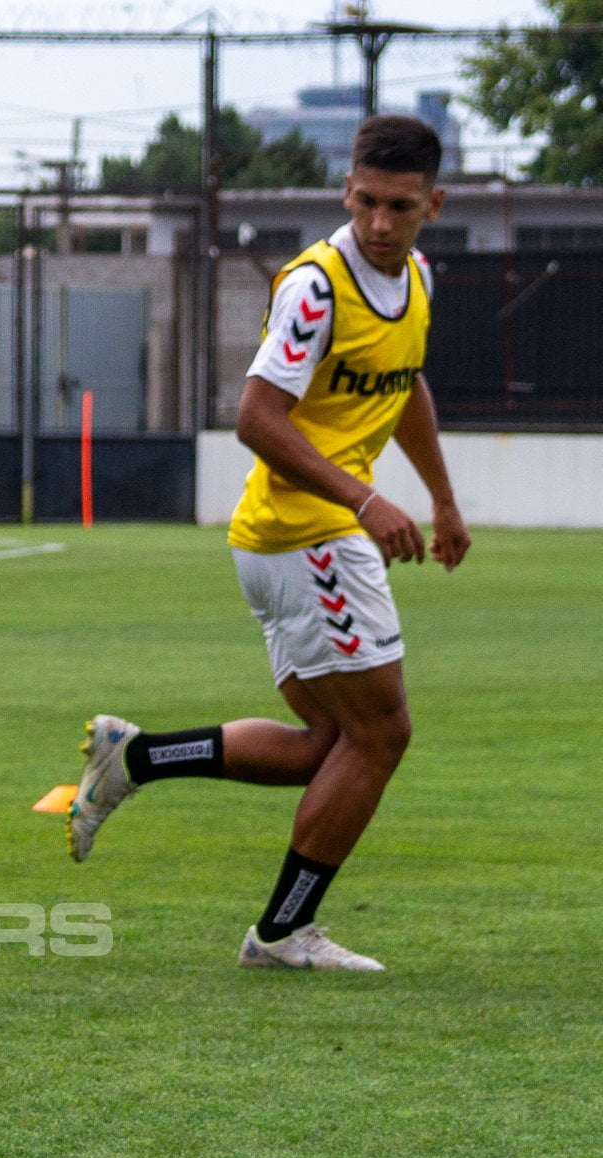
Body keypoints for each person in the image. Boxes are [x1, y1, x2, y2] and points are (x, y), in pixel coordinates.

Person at [67, 115, 470, 972]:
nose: (379, 224)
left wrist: (442, 499)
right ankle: (284, 932)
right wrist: (365, 499)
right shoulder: (318, 287)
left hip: (293, 538)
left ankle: (132, 758)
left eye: (400, 207)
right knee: (383, 736)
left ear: (432, 205)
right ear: (346, 191)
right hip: (307, 533)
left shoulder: (418, 280)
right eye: (365, 202)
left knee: (329, 745)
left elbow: (403, 390)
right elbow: (255, 416)